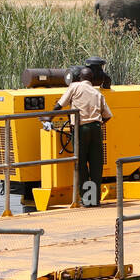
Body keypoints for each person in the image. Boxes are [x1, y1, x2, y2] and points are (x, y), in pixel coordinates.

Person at [47, 62, 113, 206]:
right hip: (96, 128)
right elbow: (107, 115)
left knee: (81, 164)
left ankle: (86, 199)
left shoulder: (74, 87)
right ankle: (95, 200)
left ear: (79, 77)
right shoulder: (97, 93)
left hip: (80, 128)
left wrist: (48, 118)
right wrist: (98, 124)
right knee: (96, 165)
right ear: (92, 79)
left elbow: (60, 104)